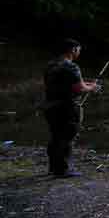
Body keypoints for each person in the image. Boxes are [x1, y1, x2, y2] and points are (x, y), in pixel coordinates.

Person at [43, 39, 100, 178]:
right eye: (78, 50)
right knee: (67, 137)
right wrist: (92, 87)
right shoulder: (71, 67)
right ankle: (63, 170)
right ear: (73, 49)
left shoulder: (50, 65)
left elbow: (66, 85)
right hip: (67, 107)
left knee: (55, 136)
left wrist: (85, 84)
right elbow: (79, 88)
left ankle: (53, 168)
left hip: (50, 106)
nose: (79, 53)